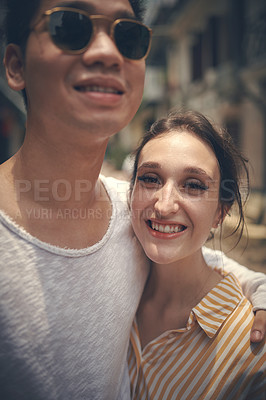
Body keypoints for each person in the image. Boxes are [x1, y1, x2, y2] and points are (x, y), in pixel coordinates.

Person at [0, 0, 265, 399]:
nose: (108, 51)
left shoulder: (132, 207)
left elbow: (201, 257)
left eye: (128, 35)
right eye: (70, 26)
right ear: (16, 65)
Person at [127, 109, 266, 400]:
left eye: (193, 185)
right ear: (129, 195)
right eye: (150, 179)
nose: (164, 206)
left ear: (220, 213)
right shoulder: (111, 283)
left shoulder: (253, 350)